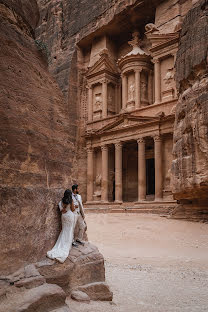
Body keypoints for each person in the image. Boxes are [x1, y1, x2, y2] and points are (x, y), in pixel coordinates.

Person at [47, 190, 75, 263]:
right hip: (70, 215)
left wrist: (64, 209)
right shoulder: (70, 200)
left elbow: (61, 210)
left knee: (64, 230)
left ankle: (61, 245)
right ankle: (67, 246)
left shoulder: (62, 201)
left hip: (64, 216)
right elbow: (73, 209)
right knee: (69, 231)